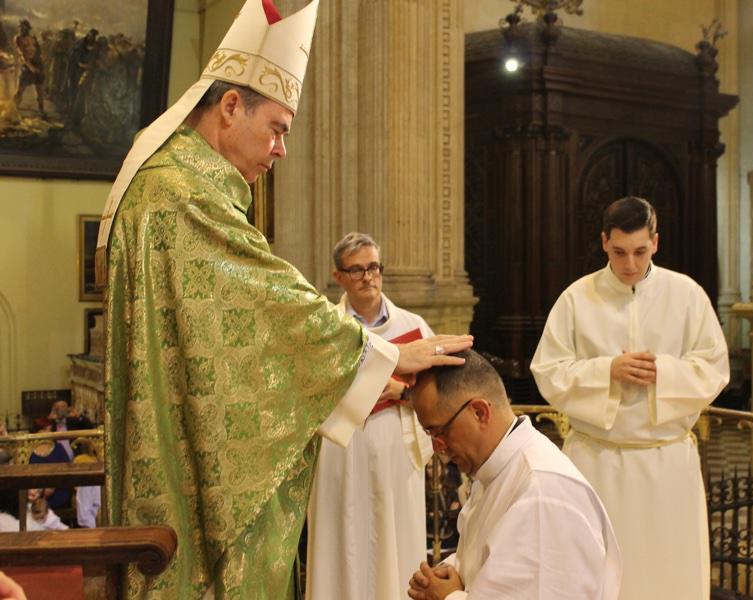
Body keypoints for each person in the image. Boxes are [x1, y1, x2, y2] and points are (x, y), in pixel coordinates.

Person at [95, 1, 472, 598]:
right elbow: (269, 301)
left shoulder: (179, 182)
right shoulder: (184, 194)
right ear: (229, 107)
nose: (282, 149)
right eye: (277, 129)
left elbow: (240, 321)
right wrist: (386, 355)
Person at [530, 196, 729, 600]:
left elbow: (715, 367)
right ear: (604, 241)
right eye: (619, 252)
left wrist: (666, 372)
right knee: (598, 573)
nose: (630, 264)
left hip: (666, 465)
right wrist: (608, 371)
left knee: (667, 576)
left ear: (656, 242)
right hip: (598, 462)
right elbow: (547, 372)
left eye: (640, 251)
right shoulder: (576, 298)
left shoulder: (686, 295)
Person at [407, 350, 621, 600]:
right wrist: (448, 572)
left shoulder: (543, 493)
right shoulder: (496, 470)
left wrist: (447, 596)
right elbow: (492, 560)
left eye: (438, 431)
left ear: (479, 413)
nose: (437, 447)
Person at [306, 233, 435, 599]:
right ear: (339, 276)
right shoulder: (324, 330)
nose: (368, 277)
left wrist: (404, 392)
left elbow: (437, 394)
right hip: (339, 455)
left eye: (374, 267)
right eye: (357, 269)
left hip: (394, 451)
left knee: (394, 543)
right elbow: (307, 390)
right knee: (340, 539)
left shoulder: (414, 329)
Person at [13, 20, 46, 118]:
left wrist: (41, 62)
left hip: (38, 64)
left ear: (28, 28)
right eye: (21, 27)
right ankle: (14, 109)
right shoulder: (18, 38)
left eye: (25, 27)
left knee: (39, 88)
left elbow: (39, 51)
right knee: (21, 88)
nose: (23, 29)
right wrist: (30, 66)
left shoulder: (33, 38)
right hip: (27, 66)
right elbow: (21, 54)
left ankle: (41, 109)